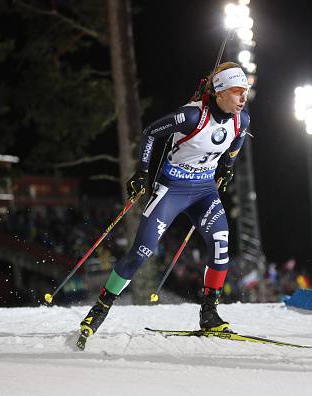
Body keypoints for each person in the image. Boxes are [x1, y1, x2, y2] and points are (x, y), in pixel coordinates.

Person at [79, 62, 251, 341]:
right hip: (173, 189)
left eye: (246, 91)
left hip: (205, 191)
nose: (243, 98)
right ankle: (99, 309)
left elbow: (236, 143)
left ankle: (210, 314)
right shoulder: (191, 117)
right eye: (236, 91)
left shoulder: (241, 119)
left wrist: (227, 167)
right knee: (141, 252)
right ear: (219, 92)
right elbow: (150, 133)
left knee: (221, 244)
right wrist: (142, 171)